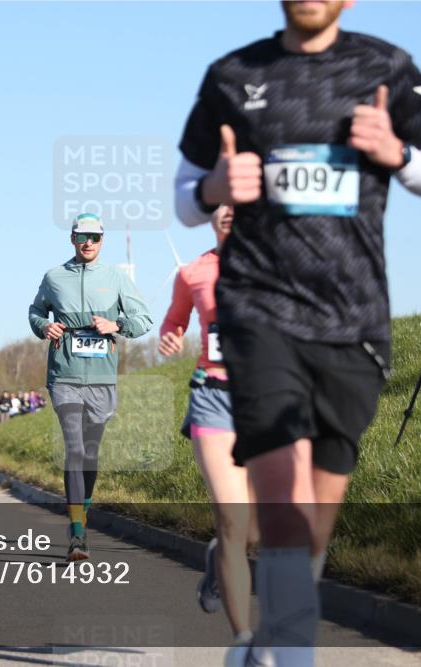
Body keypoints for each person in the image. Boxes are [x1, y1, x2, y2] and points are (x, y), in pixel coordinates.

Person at [175, 2, 421, 663]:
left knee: (316, 516)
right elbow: (184, 191)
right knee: (279, 490)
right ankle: (289, 652)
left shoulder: (385, 67)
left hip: (353, 318)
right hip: (260, 312)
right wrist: (216, 184)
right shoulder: (232, 74)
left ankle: (269, 631)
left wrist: (397, 152)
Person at [28, 212, 152, 560]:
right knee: (75, 449)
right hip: (64, 375)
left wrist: (116, 324)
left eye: (95, 237)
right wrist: (44, 327)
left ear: (102, 241)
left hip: (101, 378)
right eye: (82, 236)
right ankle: (78, 535)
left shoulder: (115, 277)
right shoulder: (54, 277)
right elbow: (36, 311)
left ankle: (82, 511)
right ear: (72, 238)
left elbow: (144, 320)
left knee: (91, 452)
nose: (88, 243)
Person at [159, 204, 257, 640]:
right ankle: (245, 643)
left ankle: (220, 560)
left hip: (268, 401)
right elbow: (174, 320)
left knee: (253, 529)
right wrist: (171, 337)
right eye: (221, 201)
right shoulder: (193, 272)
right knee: (235, 519)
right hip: (213, 397)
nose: (230, 209)